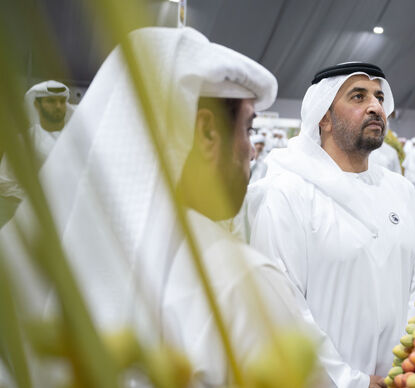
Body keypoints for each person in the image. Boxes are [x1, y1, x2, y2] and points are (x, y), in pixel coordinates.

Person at [0, 27, 353, 387]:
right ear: (207, 133)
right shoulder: (238, 282)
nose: (251, 149)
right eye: (247, 129)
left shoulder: (25, 251)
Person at [245, 62, 415, 388]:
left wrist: (410, 363)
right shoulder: (287, 191)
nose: (375, 107)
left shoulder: (401, 191)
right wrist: (352, 381)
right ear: (323, 117)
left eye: (379, 97)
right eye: (358, 97)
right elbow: (281, 307)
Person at [0, 80, 74, 200]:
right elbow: (4, 183)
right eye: (51, 101)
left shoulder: (77, 139)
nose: (58, 106)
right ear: (36, 105)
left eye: (62, 101)